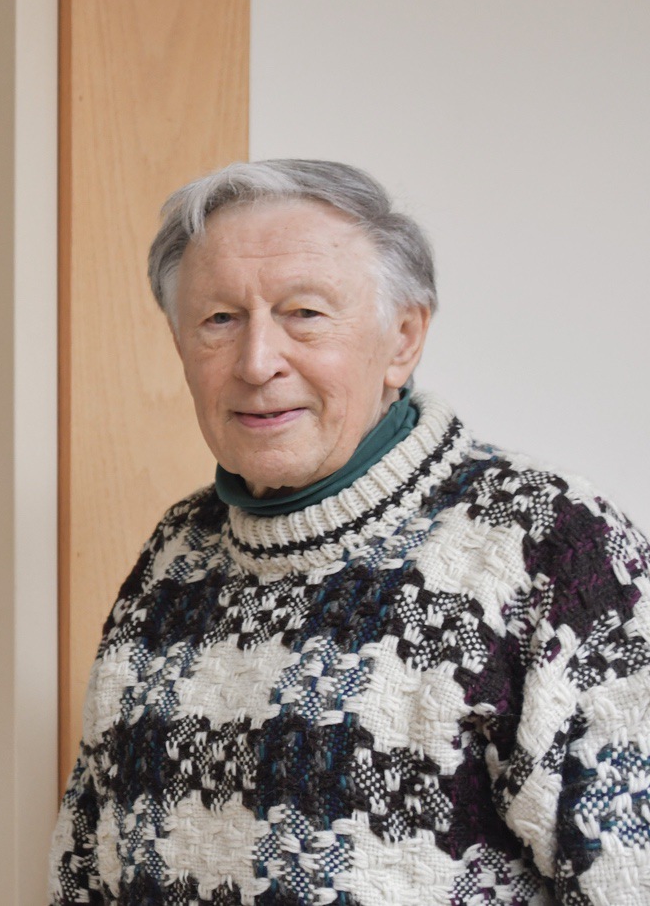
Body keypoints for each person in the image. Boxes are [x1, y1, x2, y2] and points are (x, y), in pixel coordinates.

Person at [50, 160, 650, 904]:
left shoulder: (551, 544)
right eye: (219, 320)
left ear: (403, 337)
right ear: (180, 346)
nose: (258, 361)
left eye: (304, 313)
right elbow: (85, 865)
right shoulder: (176, 551)